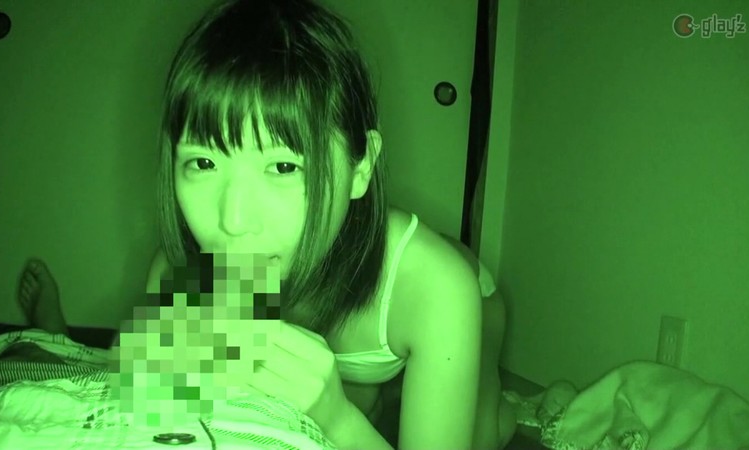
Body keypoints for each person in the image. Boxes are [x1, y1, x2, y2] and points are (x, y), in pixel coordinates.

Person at [150, 0, 516, 448]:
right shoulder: (179, 266)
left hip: (461, 287)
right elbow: (153, 408)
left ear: (361, 168)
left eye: (284, 167)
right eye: (203, 163)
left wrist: (337, 420)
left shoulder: (438, 287)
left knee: (484, 432)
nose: (233, 220)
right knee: (361, 404)